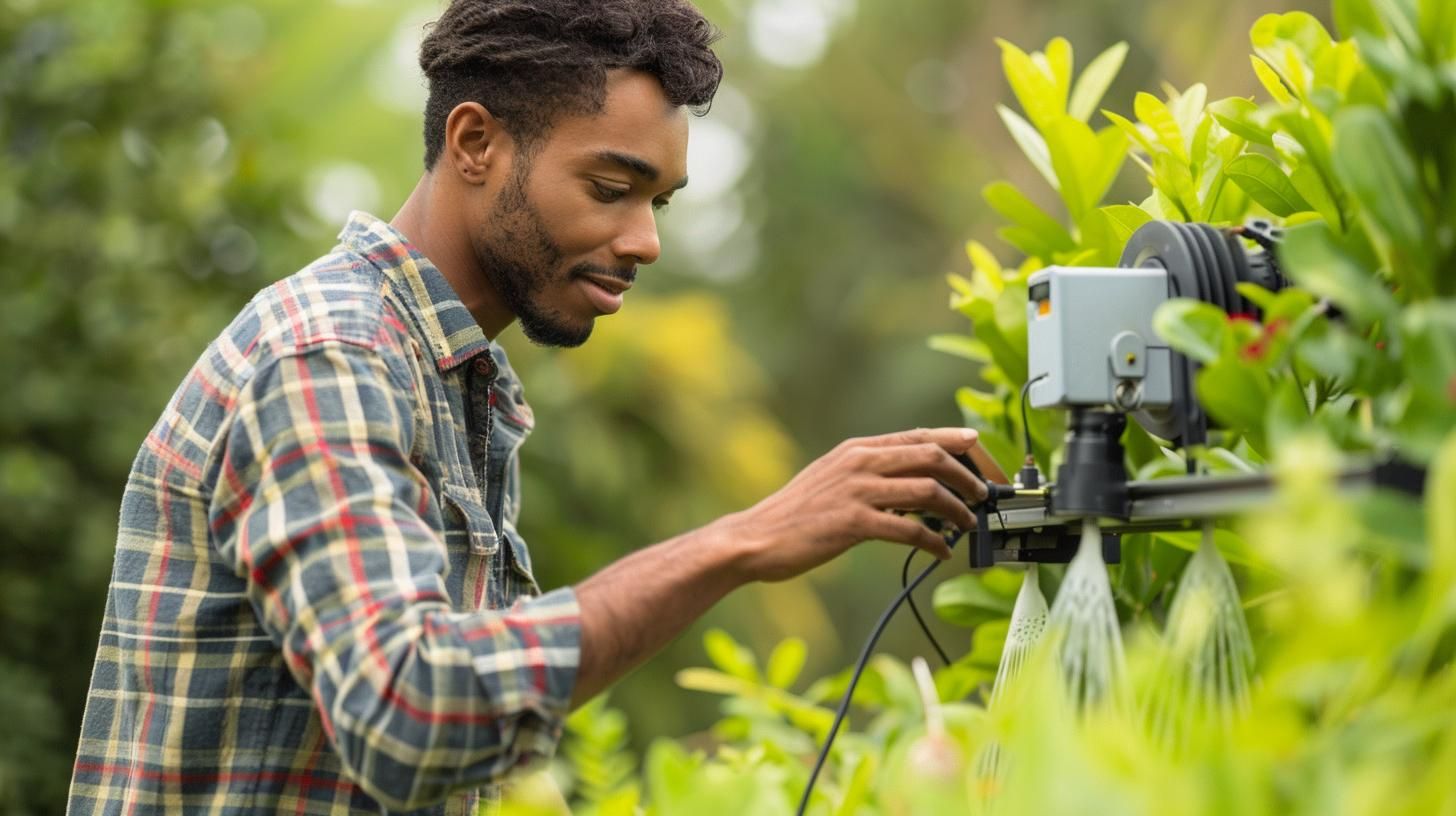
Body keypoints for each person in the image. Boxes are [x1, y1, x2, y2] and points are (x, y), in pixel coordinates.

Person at [66, 1, 993, 813]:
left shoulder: (445, 376)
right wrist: (740, 542)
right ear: (475, 143)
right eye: (610, 188)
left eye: (659, 201)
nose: (646, 241)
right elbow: (408, 716)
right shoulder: (330, 355)